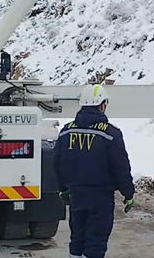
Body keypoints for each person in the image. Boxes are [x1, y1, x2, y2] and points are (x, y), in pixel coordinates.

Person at [53, 84, 135, 258]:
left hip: (76, 195)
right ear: (102, 105)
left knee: (77, 237)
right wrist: (128, 193)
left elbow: (57, 164)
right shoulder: (111, 134)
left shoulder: (66, 132)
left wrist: (62, 189)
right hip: (101, 197)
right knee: (96, 240)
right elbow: (121, 167)